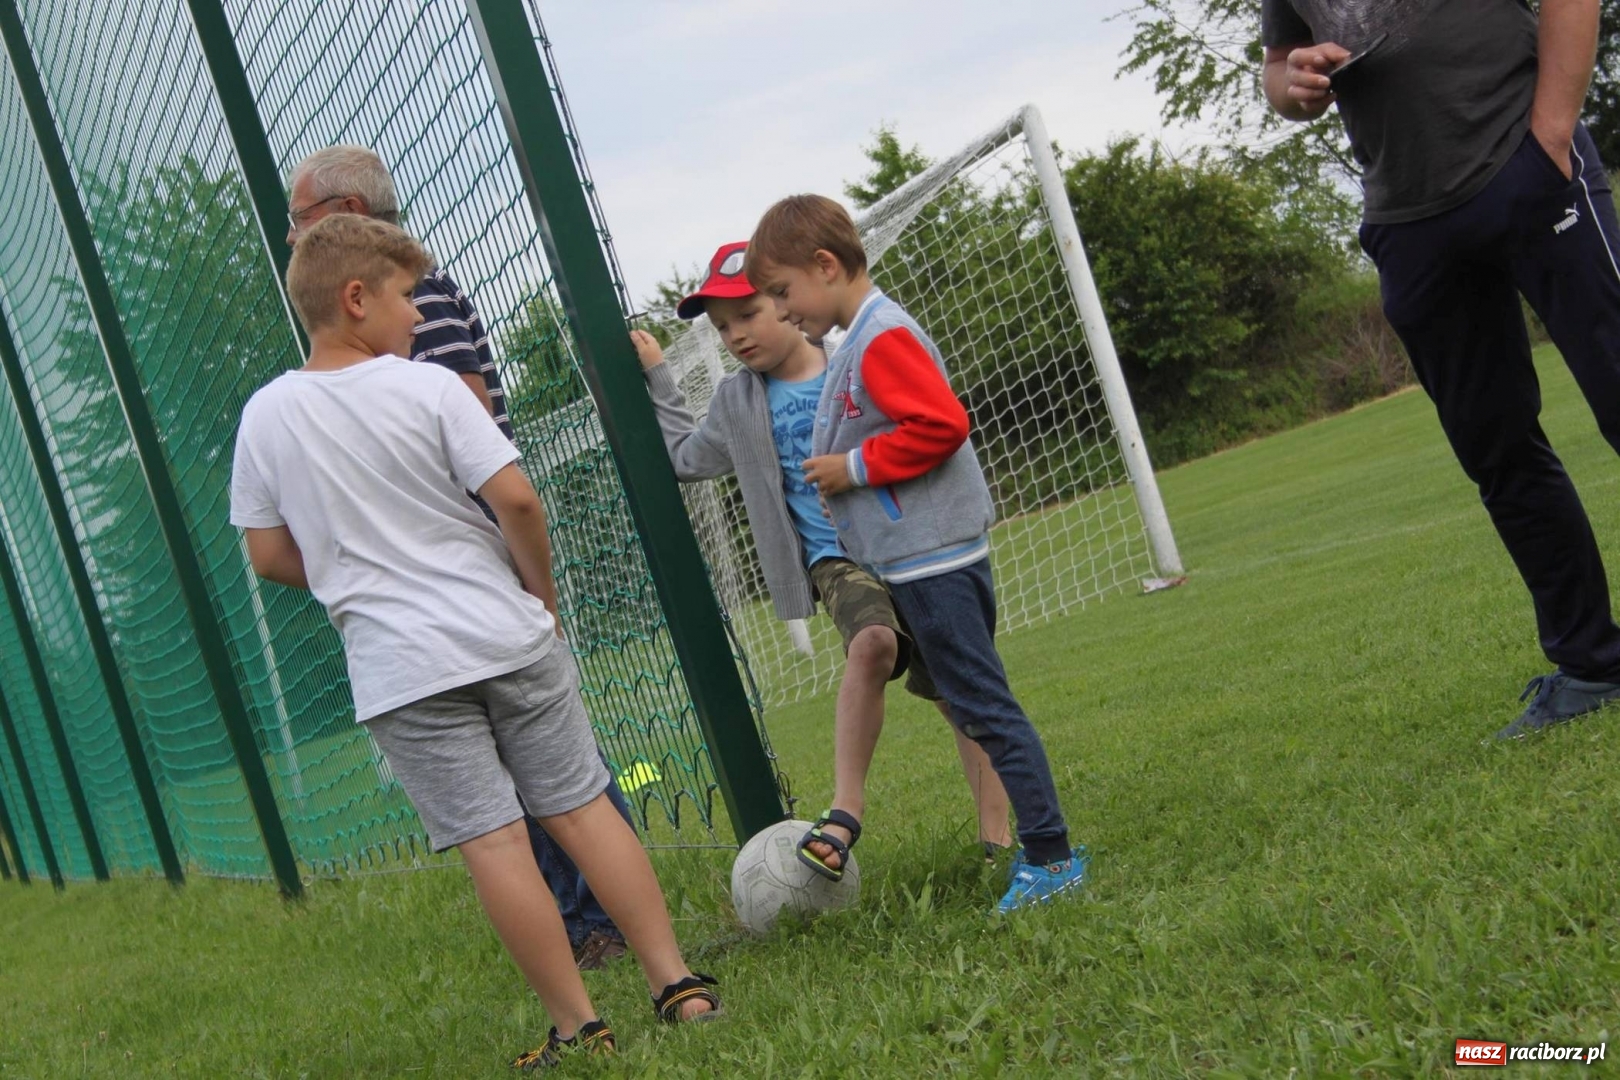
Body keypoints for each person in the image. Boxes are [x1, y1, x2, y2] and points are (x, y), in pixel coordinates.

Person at [230, 214, 718, 1069]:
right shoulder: (430, 389)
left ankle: (577, 1025)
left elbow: (268, 555)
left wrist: (355, 578)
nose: (418, 319)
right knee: (580, 806)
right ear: (355, 299)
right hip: (507, 633)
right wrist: (541, 596)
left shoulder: (265, 416)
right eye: (404, 298)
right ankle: (678, 986)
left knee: (495, 843)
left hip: (400, 669)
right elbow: (518, 500)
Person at [285, 145, 632, 966]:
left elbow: (466, 436)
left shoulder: (417, 302)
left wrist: (430, 563)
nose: (289, 233)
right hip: (458, 571)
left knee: (549, 769)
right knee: (538, 760)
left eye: (298, 219)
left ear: (343, 218)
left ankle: (596, 917)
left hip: (462, 569)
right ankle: (596, 920)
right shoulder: (394, 310)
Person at [1261, 1, 1620, 738]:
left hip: (1529, 163)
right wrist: (1291, 86)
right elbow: (1278, 66)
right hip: (1408, 221)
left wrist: (1552, 129)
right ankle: (1592, 665)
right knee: (1501, 455)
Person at [630, 241, 1015, 883]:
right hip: (835, 561)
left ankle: (999, 842)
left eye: (748, 314)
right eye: (722, 327)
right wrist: (659, 377)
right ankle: (844, 814)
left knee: (962, 697)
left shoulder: (854, 368)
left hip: (909, 553)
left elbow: (924, 433)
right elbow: (683, 459)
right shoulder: (737, 402)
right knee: (870, 643)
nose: (735, 336)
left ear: (785, 302)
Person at [743, 196, 1087, 913]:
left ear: (826, 266)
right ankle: (1042, 848)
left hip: (935, 563)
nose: (779, 310)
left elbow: (942, 425)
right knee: (974, 704)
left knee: (985, 708)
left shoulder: (880, 338)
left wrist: (854, 469)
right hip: (919, 561)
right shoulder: (862, 335)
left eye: (782, 293)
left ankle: (1051, 857)